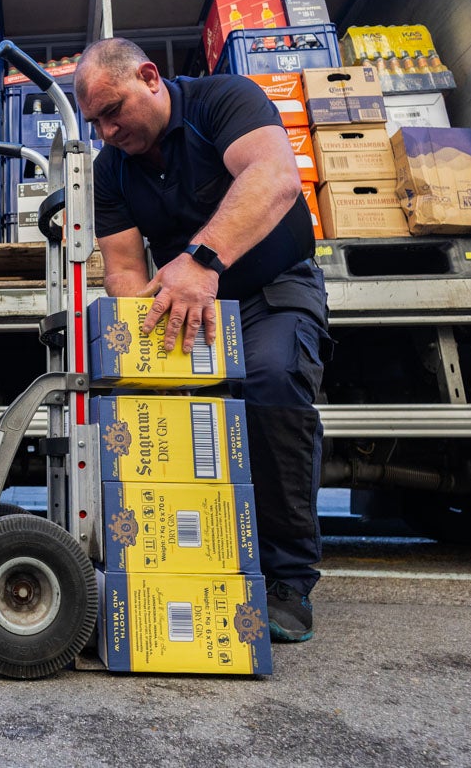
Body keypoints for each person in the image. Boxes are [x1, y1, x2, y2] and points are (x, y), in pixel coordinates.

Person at [74, 37, 332, 643]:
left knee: (270, 384)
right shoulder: (110, 169)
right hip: (184, 307)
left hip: (271, 289)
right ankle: (178, 559)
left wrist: (201, 260)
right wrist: (133, 347)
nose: (107, 130)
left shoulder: (226, 99)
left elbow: (273, 179)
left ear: (150, 77)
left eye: (114, 111)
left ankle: (289, 582)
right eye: (95, 122)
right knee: (152, 408)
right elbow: (126, 272)